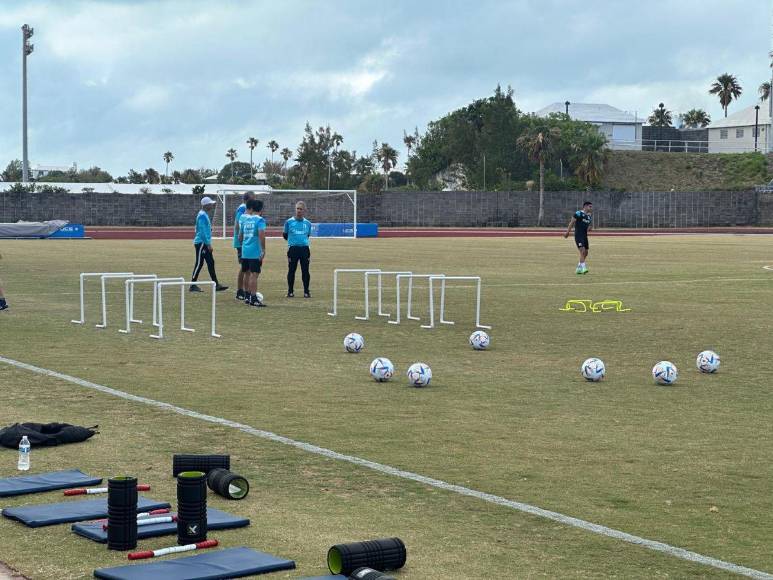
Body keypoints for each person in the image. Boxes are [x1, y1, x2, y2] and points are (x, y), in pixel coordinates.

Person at [191, 197, 228, 292]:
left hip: (203, 242)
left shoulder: (203, 214)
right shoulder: (202, 215)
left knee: (210, 262)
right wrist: (208, 244)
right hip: (202, 243)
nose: (212, 205)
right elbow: (202, 232)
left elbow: (200, 229)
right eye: (210, 204)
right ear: (206, 205)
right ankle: (192, 285)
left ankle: (216, 284)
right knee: (199, 263)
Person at [238, 199, 267, 307]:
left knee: (247, 273)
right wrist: (263, 249)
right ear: (261, 209)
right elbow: (261, 235)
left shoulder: (246, 220)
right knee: (254, 275)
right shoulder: (260, 220)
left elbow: (240, 237)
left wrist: (245, 245)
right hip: (255, 252)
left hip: (245, 251)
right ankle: (254, 298)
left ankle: (247, 296)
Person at [283, 201, 313, 298]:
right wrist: (293, 242)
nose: (299, 211)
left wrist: (301, 241)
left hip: (304, 249)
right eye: (297, 208)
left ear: (304, 210)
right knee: (291, 270)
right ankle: (290, 291)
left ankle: (306, 291)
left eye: (301, 209)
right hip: (293, 249)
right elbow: (285, 235)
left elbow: (307, 235)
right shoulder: (289, 222)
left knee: (305, 271)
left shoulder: (308, 223)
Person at [233, 191, 255, 301]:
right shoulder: (242, 208)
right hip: (242, 242)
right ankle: (240, 291)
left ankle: (243, 291)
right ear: (247, 200)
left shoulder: (246, 208)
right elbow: (238, 224)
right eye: (253, 199)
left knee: (245, 268)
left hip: (244, 242)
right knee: (245, 268)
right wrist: (242, 240)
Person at [563, 201, 593, 274]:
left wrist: (590, 228)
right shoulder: (578, 213)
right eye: (590, 206)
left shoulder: (589, 216)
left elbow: (588, 226)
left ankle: (578, 267)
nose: (591, 208)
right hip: (578, 235)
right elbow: (572, 222)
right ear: (585, 206)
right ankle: (583, 268)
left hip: (584, 236)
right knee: (582, 251)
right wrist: (567, 232)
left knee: (586, 252)